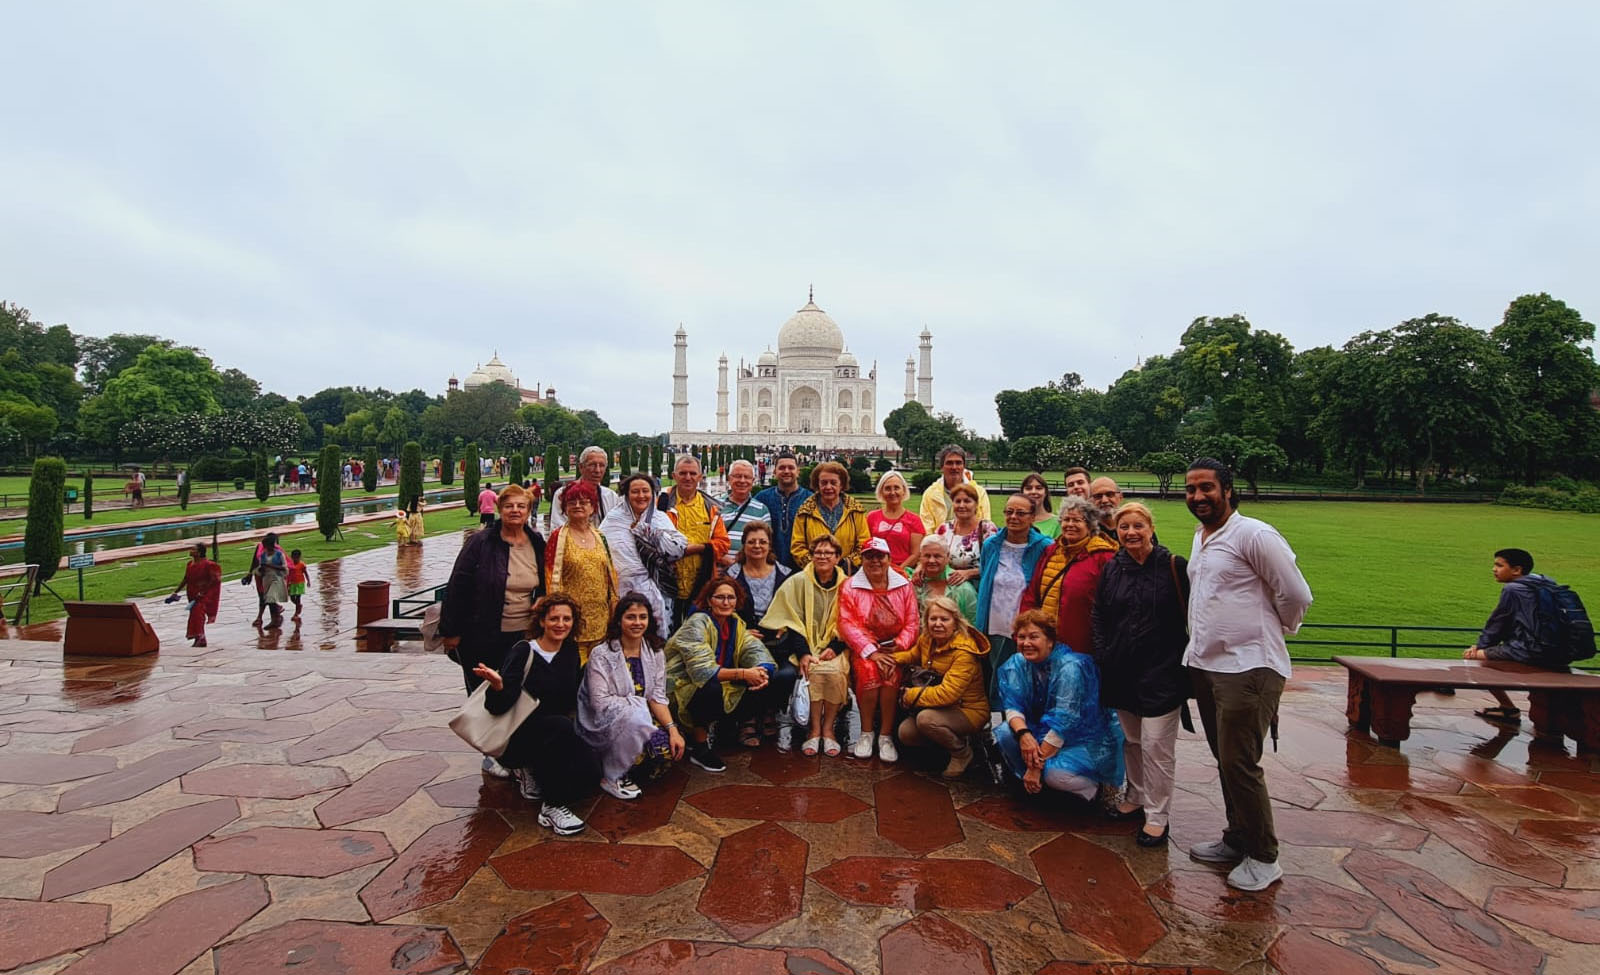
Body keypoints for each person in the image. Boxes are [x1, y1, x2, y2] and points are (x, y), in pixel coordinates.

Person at [1183, 457, 1313, 892]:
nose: (1198, 497)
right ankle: (1237, 837)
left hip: (1248, 666)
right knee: (1226, 759)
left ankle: (1263, 855)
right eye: (1191, 489)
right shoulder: (1203, 537)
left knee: (1240, 762)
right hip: (1208, 664)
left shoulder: (1254, 534)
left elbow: (1295, 593)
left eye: (1206, 488)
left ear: (1228, 489)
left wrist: (1275, 629)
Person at [1091, 502, 1189, 847]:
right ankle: (1136, 795)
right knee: (1132, 741)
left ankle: (1158, 816)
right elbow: (1099, 614)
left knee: (1157, 746)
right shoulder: (1113, 568)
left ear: (1150, 528)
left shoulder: (1173, 567)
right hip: (1121, 670)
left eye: (1138, 526)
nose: (1131, 533)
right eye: (1124, 527)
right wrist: (1104, 654)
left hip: (1162, 673)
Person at [439, 484, 547, 780]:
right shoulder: (482, 542)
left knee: (513, 691)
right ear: (500, 509)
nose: (515, 511)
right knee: (483, 693)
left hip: (521, 634)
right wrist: (451, 631)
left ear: (528, 510)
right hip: (482, 631)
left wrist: (543, 599)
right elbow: (458, 585)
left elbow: (546, 580)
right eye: (510, 506)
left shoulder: (535, 541)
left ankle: (511, 749)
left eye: (521, 506)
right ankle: (489, 751)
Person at [471, 594, 598, 835]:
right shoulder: (523, 652)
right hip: (517, 735)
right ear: (541, 621)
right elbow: (496, 708)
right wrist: (499, 687)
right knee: (559, 728)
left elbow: (568, 699)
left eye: (566, 619)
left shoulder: (570, 652)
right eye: (554, 619)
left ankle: (536, 770)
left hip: (553, 734)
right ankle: (552, 806)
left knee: (591, 773)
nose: (560, 624)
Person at [995, 609, 1125, 801]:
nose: (1026, 643)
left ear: (1050, 640)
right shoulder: (1018, 663)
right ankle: (1033, 783)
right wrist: (1024, 735)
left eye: (1034, 637)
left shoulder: (1070, 668)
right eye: (1021, 637)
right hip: (1041, 731)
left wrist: (1034, 767)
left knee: (1056, 776)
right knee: (1007, 732)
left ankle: (1094, 789)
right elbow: (1013, 704)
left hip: (1082, 739)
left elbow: (1065, 721)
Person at [664, 575, 776, 772]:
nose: (726, 602)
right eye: (720, 597)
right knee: (711, 689)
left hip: (718, 679)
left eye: (731, 598)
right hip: (683, 686)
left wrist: (762, 671)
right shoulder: (697, 622)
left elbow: (753, 649)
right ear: (709, 600)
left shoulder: (735, 622)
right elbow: (703, 671)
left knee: (768, 678)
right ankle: (699, 747)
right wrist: (743, 673)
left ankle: (725, 728)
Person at [579, 595, 686, 799]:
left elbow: (657, 697)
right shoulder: (602, 654)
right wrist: (636, 710)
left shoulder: (654, 652)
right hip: (609, 720)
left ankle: (630, 765)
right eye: (631, 617)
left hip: (642, 716)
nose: (637, 623)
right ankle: (612, 774)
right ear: (619, 620)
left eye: (642, 617)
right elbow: (600, 703)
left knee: (667, 748)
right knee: (637, 750)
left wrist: (673, 730)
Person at [1463, 548, 1576, 722]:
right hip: (1559, 650)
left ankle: (1508, 708)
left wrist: (1480, 648)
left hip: (1531, 650)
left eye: (1499, 565)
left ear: (1517, 570)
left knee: (1475, 658)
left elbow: (1498, 623)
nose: (1494, 569)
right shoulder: (1545, 584)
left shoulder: (1513, 589)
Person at [762, 535, 850, 756]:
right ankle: (814, 730)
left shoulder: (848, 585)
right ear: (810, 556)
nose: (822, 557)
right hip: (802, 645)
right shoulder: (797, 581)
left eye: (828, 553)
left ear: (838, 557)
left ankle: (829, 729)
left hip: (837, 644)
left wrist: (835, 647)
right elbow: (791, 620)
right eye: (818, 552)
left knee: (834, 672)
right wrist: (803, 653)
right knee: (812, 669)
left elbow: (852, 620)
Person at [839, 537, 920, 761]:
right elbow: (847, 623)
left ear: (888, 559)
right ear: (862, 559)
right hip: (866, 648)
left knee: (892, 676)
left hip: (895, 647)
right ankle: (866, 732)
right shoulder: (850, 586)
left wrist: (899, 646)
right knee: (869, 675)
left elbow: (913, 621)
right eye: (869, 556)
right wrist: (871, 651)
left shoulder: (904, 584)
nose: (875, 561)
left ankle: (885, 735)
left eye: (879, 556)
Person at [894, 596, 990, 777]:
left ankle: (962, 753)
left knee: (926, 720)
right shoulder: (928, 639)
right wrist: (888, 659)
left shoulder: (963, 653)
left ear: (956, 622)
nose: (938, 624)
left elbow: (948, 694)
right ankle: (947, 742)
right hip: (941, 707)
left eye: (944, 619)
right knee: (906, 733)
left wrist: (909, 696)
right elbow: (912, 655)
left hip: (967, 709)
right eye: (933, 619)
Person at [1020, 494, 1117, 662]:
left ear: (1090, 525)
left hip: (1081, 647)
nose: (1070, 525)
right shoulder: (1050, 552)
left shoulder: (1103, 557)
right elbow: (1032, 594)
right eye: (1066, 520)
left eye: (1077, 520)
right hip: (1044, 644)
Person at [725, 521, 796, 747]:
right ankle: (748, 718)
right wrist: (742, 632)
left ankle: (769, 711)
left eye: (762, 542)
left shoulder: (785, 574)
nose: (757, 546)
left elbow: (795, 610)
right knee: (750, 669)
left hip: (778, 643)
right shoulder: (732, 575)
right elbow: (720, 611)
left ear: (770, 546)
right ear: (744, 545)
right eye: (752, 542)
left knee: (784, 673)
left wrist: (784, 625)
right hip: (742, 642)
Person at [975, 495, 1051, 693]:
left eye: (1020, 513)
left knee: (1023, 678)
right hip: (994, 624)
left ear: (1032, 517)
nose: (1013, 517)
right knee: (995, 675)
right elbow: (985, 578)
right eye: (1009, 512)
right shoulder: (991, 544)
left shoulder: (1045, 547)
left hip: (1025, 624)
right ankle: (996, 718)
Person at [602, 472, 687, 641]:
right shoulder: (613, 520)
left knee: (654, 639)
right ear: (626, 495)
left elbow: (678, 549)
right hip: (621, 590)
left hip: (655, 588)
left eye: (645, 491)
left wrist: (647, 532)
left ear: (653, 493)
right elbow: (602, 551)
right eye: (635, 491)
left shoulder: (660, 518)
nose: (641, 496)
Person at [545, 480, 619, 663]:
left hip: (600, 620)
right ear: (564, 508)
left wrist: (614, 607)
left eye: (583, 502)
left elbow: (610, 575)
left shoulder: (600, 536)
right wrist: (558, 614)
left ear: (592, 507)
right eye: (572, 502)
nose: (577, 506)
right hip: (572, 621)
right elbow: (550, 576)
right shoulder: (559, 537)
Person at [658, 454, 730, 627]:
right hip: (667, 584)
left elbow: (723, 543)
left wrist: (700, 548)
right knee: (669, 634)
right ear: (673, 476)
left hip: (701, 584)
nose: (688, 478)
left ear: (700, 477)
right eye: (683, 473)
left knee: (697, 633)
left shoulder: (710, 507)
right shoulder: (661, 504)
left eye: (692, 473)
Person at [790, 461, 871, 571]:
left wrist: (846, 565)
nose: (828, 487)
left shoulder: (855, 511)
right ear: (817, 484)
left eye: (833, 482)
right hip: (814, 575)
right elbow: (797, 547)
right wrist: (819, 565)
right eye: (824, 483)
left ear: (841, 485)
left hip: (848, 575)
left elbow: (864, 544)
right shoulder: (805, 512)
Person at [754, 451, 811, 570]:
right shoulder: (762, 498)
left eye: (791, 468)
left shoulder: (810, 499)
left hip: (802, 569)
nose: (786, 471)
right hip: (768, 568)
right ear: (775, 472)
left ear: (798, 472)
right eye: (782, 468)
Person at [932, 483, 997, 587]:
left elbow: (994, 564)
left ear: (976, 504)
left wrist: (969, 573)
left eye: (967, 501)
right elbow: (931, 554)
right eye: (957, 501)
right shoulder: (944, 529)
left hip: (977, 588)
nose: (962, 505)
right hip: (947, 587)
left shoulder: (987, 529)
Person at [550, 446, 624, 529]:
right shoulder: (563, 494)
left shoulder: (611, 496)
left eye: (602, 465)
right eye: (592, 465)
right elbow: (558, 529)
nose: (597, 470)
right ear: (581, 467)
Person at [715, 459, 771, 565]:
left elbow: (767, 545)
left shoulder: (762, 510)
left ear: (753, 481)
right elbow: (705, 539)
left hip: (748, 573)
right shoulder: (715, 506)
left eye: (747, 477)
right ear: (729, 479)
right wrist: (719, 557)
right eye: (737, 476)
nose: (742, 480)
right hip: (719, 573)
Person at [912, 534, 978, 624]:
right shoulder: (914, 586)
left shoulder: (963, 589)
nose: (931, 560)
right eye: (927, 556)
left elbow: (973, 625)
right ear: (920, 557)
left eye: (937, 556)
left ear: (947, 557)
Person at [867, 470, 924, 570]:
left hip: (903, 572)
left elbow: (915, 554)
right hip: (876, 570)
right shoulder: (871, 517)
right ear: (881, 491)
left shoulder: (914, 520)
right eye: (887, 488)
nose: (892, 492)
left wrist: (898, 571)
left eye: (896, 488)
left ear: (904, 491)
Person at [167, 542, 220, 648]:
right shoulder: (190, 564)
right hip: (192, 593)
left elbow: (214, 579)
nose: (190, 551)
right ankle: (199, 637)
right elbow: (186, 579)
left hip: (203, 595)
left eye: (193, 549)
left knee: (198, 614)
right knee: (194, 615)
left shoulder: (208, 565)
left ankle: (201, 637)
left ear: (199, 552)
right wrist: (175, 592)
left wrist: (203, 591)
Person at [248, 532, 288, 629]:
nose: (264, 548)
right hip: (265, 579)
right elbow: (258, 565)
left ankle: (275, 619)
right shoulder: (263, 554)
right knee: (267, 599)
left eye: (266, 546)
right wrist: (253, 573)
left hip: (276, 579)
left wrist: (270, 566)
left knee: (270, 598)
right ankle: (275, 618)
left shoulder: (279, 554)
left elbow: (285, 568)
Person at [1021, 472, 1057, 540]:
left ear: (1045, 493)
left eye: (1038, 488)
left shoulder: (1057, 523)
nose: (1033, 492)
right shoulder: (1016, 519)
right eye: (1028, 488)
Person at [286, 549, 309, 622]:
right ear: (292, 557)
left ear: (299, 557)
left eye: (297, 558)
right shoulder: (290, 565)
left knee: (298, 597)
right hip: (292, 583)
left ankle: (296, 613)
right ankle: (298, 605)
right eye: (294, 558)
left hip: (300, 583)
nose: (295, 559)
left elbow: (305, 573)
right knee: (292, 597)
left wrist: (308, 581)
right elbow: (287, 574)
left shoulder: (302, 565)